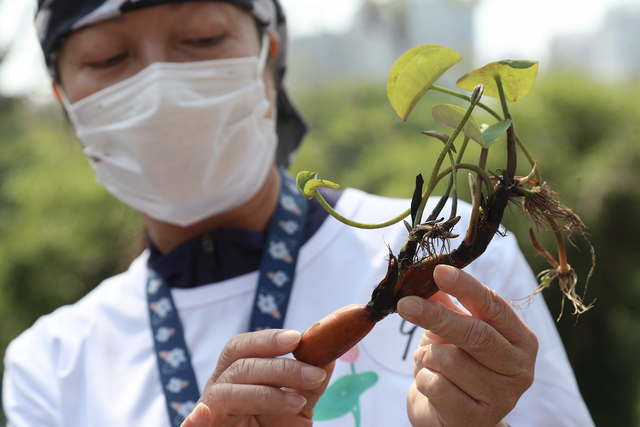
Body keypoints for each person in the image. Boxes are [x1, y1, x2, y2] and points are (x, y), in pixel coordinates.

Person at [2, 1, 594, 426]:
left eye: (203, 39)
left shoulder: (463, 271)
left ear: (270, 54)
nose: (161, 83)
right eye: (108, 58)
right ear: (62, 95)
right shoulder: (50, 367)